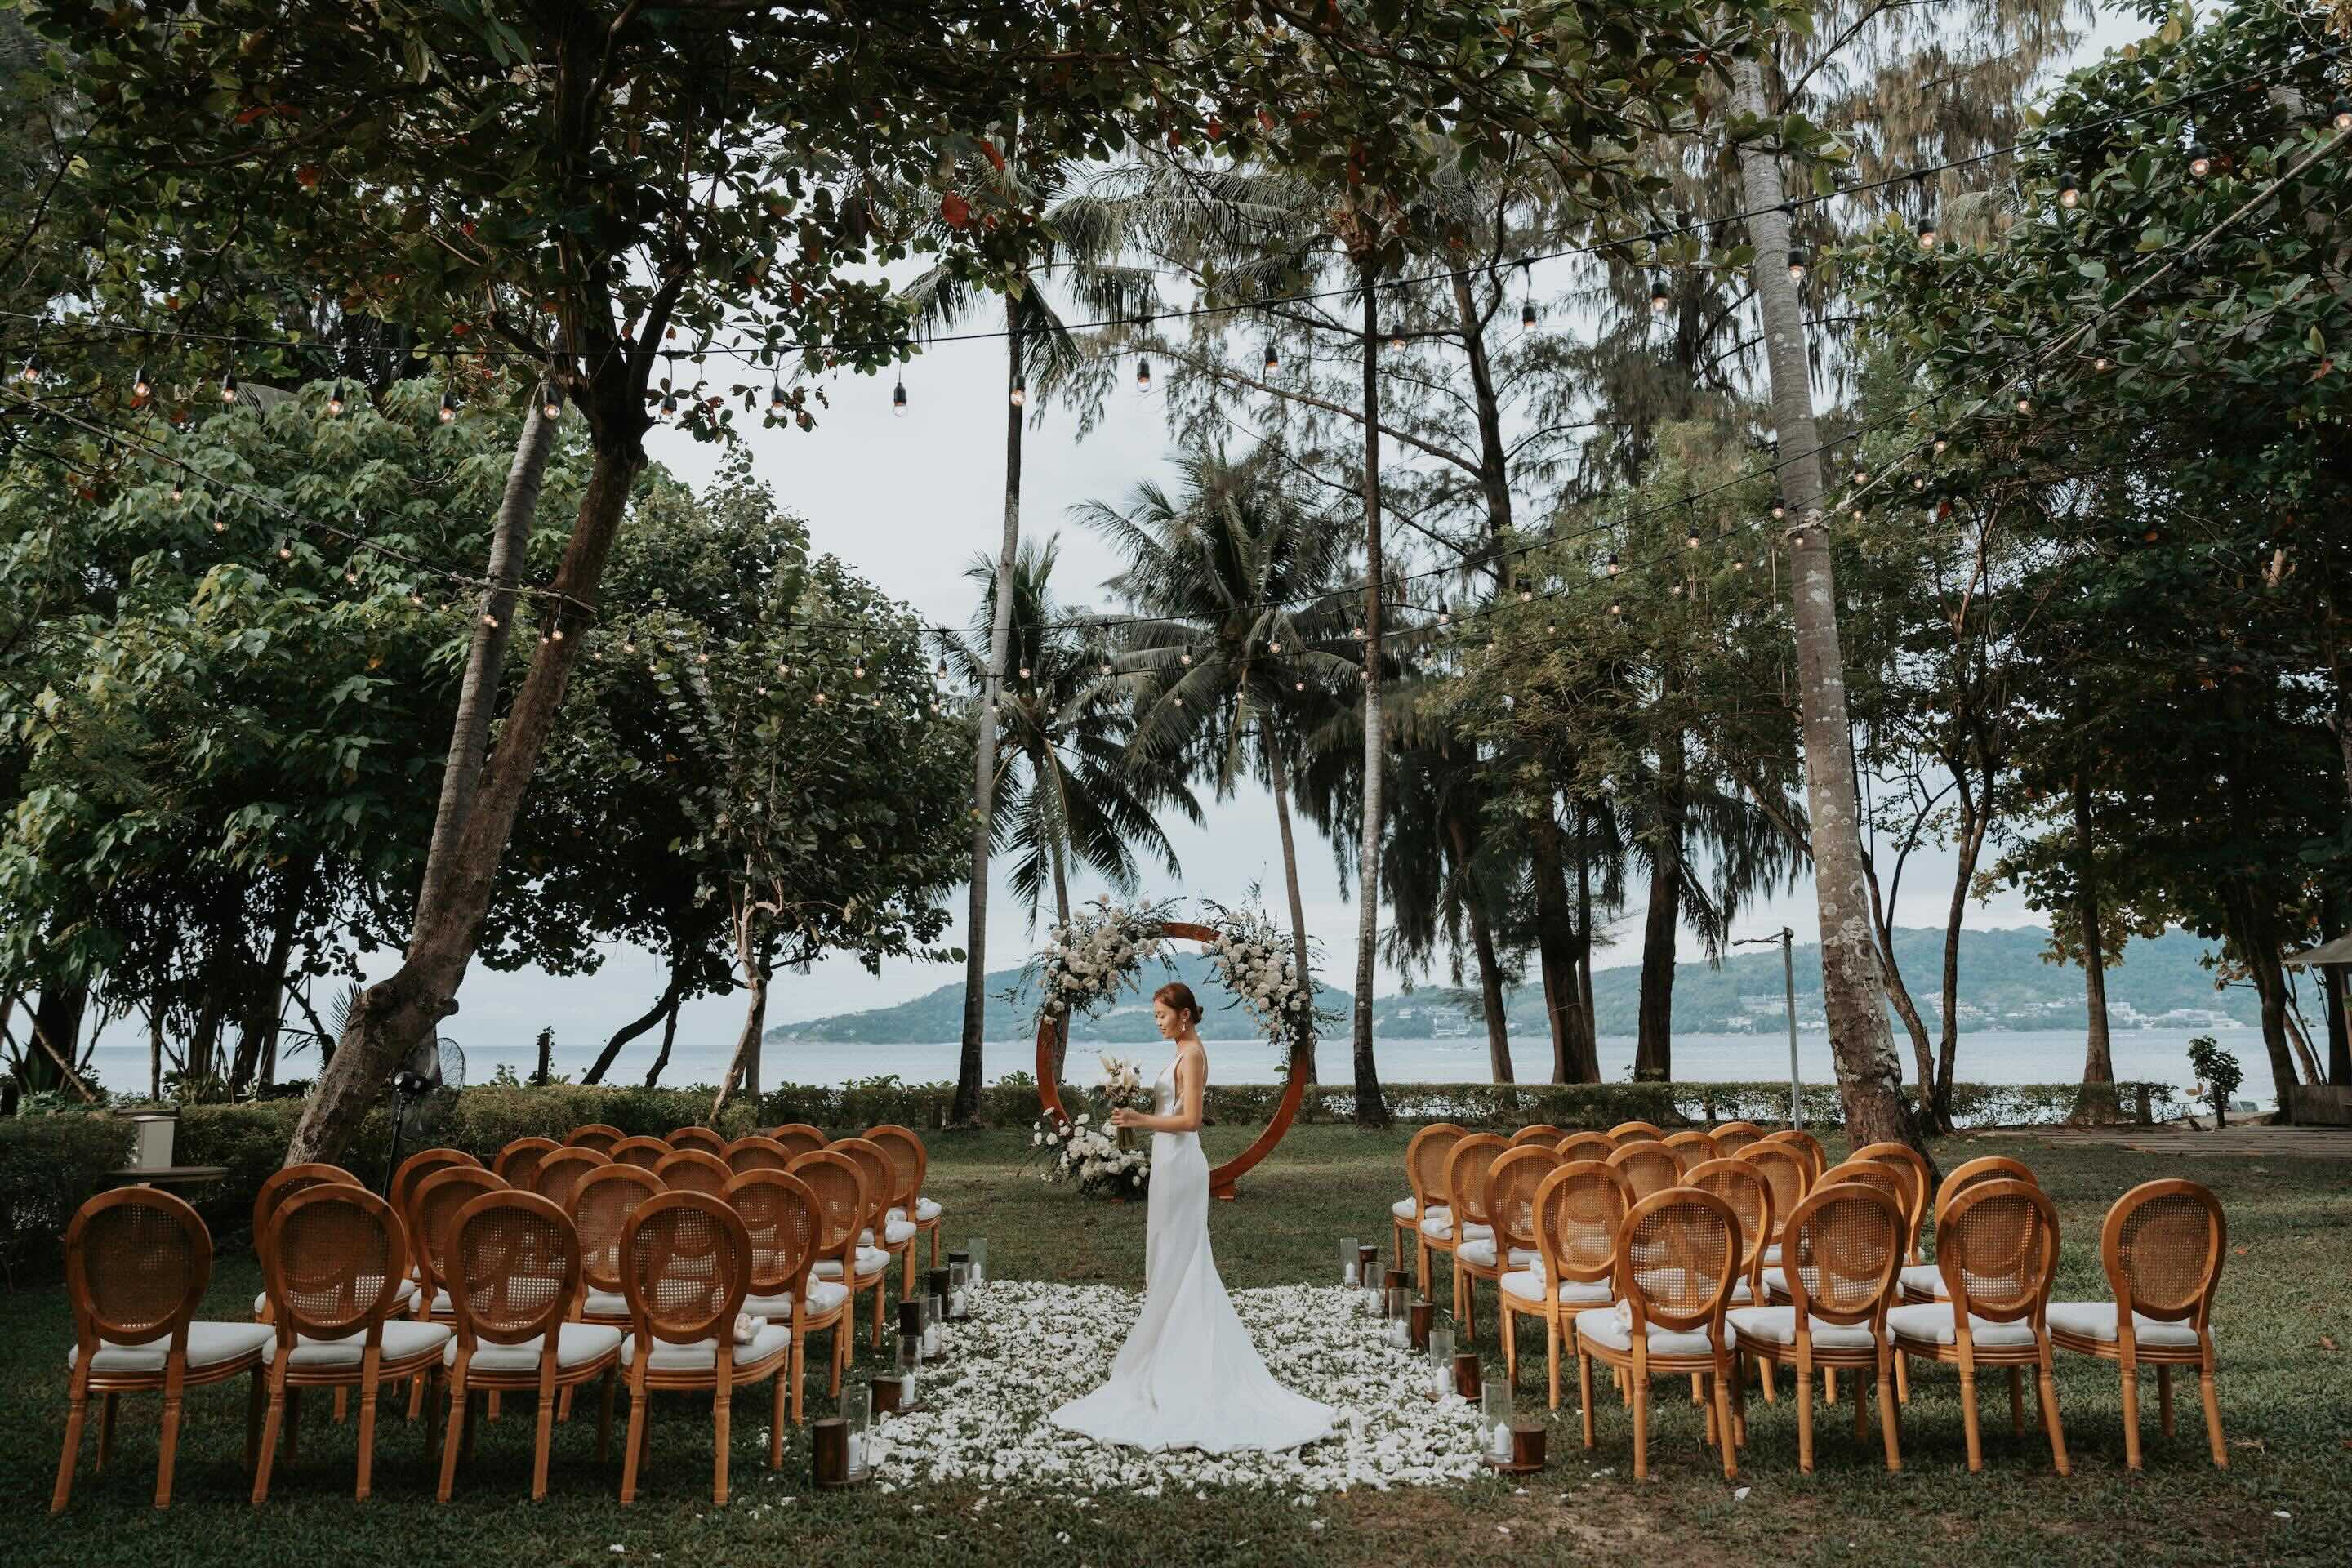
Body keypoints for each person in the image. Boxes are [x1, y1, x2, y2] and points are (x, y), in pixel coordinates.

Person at [1049, 981, 1334, 1454]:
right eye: (1155, 1016)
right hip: (1167, 1162)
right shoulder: (1180, 1052)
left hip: (1181, 1164)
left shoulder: (1194, 1055)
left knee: (1182, 1257)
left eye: (1163, 1015)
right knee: (1167, 1256)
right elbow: (1173, 1109)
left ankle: (1183, 1359)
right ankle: (1167, 1345)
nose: (1158, 1022)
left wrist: (1139, 1120)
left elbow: (1191, 1121)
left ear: (1184, 1015)